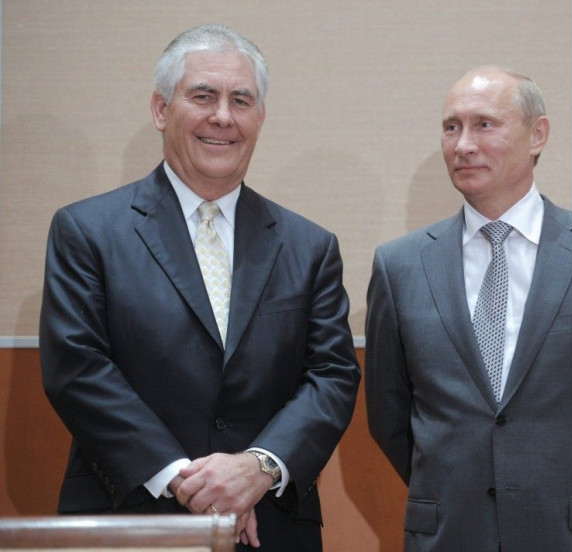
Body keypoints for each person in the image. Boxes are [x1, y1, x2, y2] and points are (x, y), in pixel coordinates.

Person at [40, 23, 360, 552]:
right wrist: (193, 484)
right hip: (132, 518)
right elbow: (77, 369)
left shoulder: (310, 245)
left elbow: (332, 375)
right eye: (203, 96)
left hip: (272, 526)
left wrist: (258, 469)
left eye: (241, 100)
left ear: (260, 118)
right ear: (161, 109)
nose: (222, 117)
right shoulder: (86, 231)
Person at [364, 66, 572, 552]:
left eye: (484, 124)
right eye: (451, 127)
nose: (463, 144)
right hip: (451, 536)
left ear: (538, 134)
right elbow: (389, 414)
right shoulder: (400, 266)